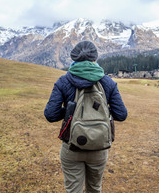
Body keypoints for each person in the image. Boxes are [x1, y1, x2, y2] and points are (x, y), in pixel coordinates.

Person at [44, 41, 127, 193]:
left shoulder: (64, 81)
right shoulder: (108, 82)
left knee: (73, 190)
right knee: (95, 188)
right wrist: (101, 111)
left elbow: (50, 114)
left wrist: (71, 112)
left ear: (73, 58)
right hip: (99, 148)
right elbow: (121, 114)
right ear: (95, 58)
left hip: (72, 147)